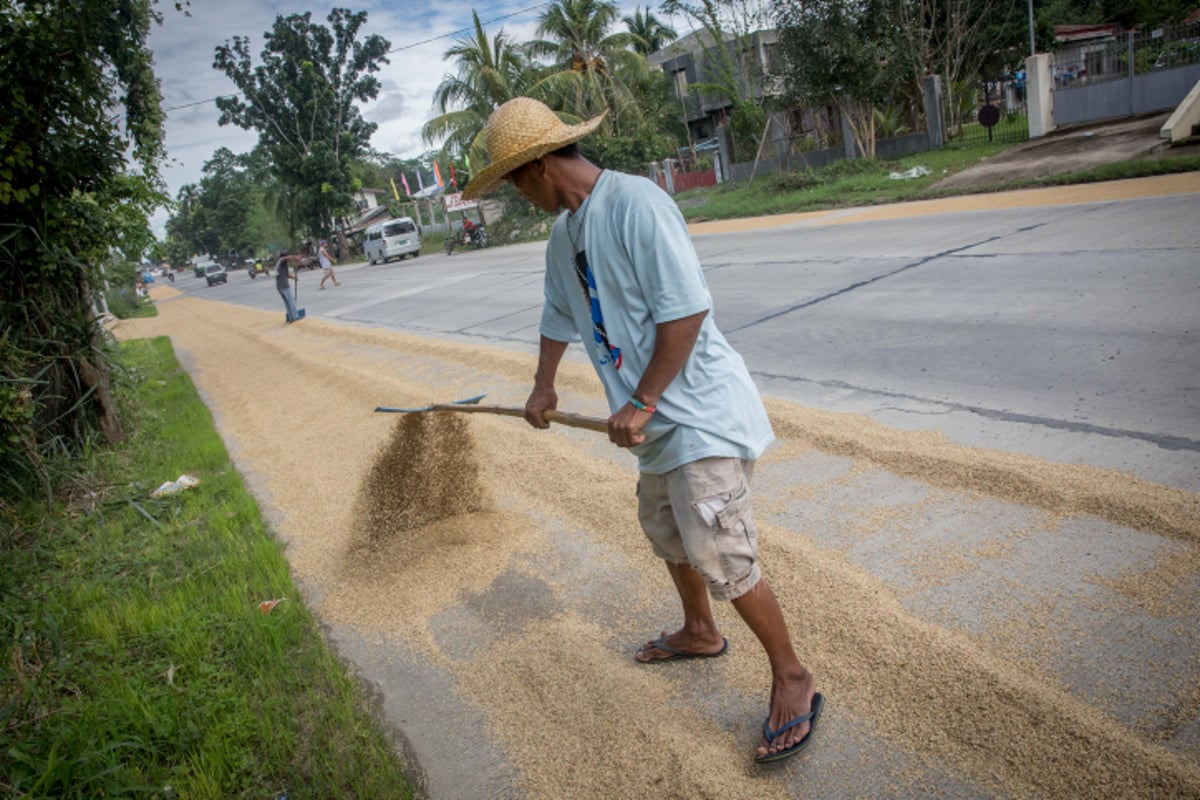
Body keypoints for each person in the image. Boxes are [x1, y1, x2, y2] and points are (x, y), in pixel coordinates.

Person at [461, 97, 822, 764]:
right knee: (665, 528)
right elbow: (556, 311)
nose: (516, 195)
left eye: (513, 181)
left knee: (720, 549)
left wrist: (645, 399)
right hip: (655, 421)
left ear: (540, 166)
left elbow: (685, 312)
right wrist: (543, 385)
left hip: (696, 413)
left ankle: (792, 675)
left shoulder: (636, 205)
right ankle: (699, 630)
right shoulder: (565, 233)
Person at [275, 248, 305, 323]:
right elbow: (287, 257)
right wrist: (296, 257)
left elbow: (287, 274)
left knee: (287, 302)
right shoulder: (282, 260)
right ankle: (295, 316)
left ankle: (291, 317)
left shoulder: (282, 263)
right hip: (284, 285)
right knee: (291, 301)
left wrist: (294, 278)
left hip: (279, 286)